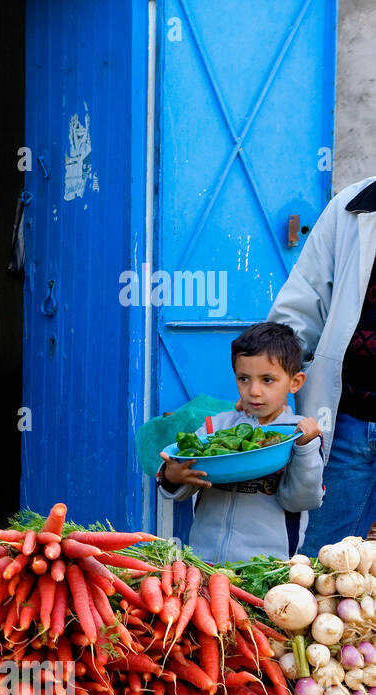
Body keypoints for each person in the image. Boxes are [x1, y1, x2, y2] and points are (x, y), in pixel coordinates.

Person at [269, 174, 376, 551]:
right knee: (319, 569)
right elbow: (301, 305)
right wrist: (271, 378)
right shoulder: (353, 208)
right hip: (349, 423)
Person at [157, 323, 323, 562]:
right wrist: (173, 476)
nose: (254, 391)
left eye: (267, 380)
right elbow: (186, 483)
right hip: (205, 563)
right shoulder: (216, 428)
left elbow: (301, 500)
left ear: (295, 382)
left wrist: (306, 449)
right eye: (244, 379)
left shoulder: (299, 435)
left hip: (266, 567)